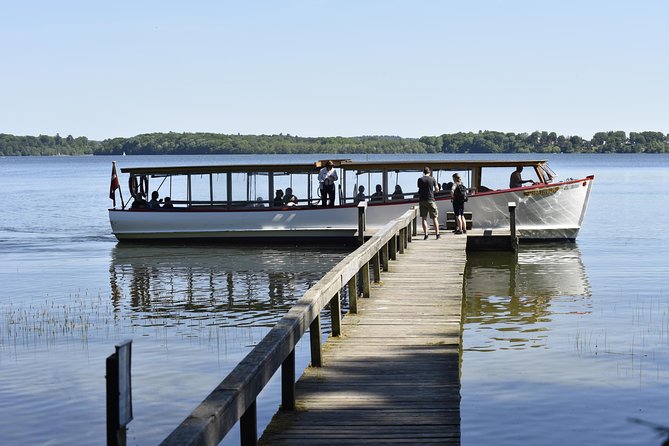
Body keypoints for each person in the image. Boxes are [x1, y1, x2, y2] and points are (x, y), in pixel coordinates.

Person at [417, 167, 440, 240]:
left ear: (423, 172)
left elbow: (419, 187)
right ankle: (437, 234)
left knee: (424, 218)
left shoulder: (420, 179)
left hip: (422, 200)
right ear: (429, 172)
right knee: (434, 218)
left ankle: (426, 235)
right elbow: (437, 189)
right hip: (431, 200)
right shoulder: (432, 179)